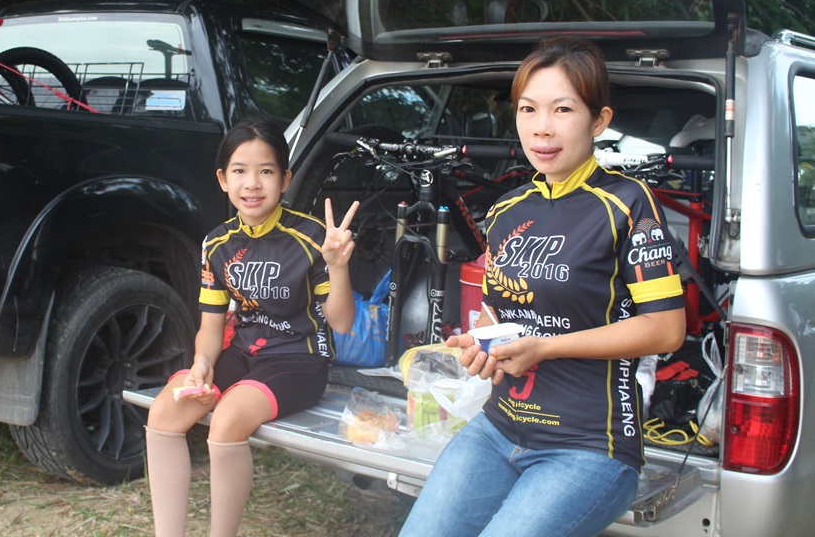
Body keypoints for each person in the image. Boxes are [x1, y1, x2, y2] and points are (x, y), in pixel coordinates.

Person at [399, 36, 686, 537]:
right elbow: (495, 311)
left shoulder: (628, 203)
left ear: (599, 120)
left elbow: (666, 330)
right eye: (528, 109)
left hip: (588, 446)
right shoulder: (507, 209)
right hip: (497, 428)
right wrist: (482, 344)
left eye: (563, 109)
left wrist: (544, 347)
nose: (542, 127)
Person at [145, 118, 359, 537]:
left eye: (266, 171)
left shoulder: (313, 236)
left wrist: (338, 267)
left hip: (299, 360)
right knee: (164, 411)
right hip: (243, 354)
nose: (252, 183)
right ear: (223, 179)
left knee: (227, 419)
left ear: (285, 179)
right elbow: (211, 326)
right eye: (240, 171)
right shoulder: (217, 243)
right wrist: (202, 364)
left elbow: (342, 322)